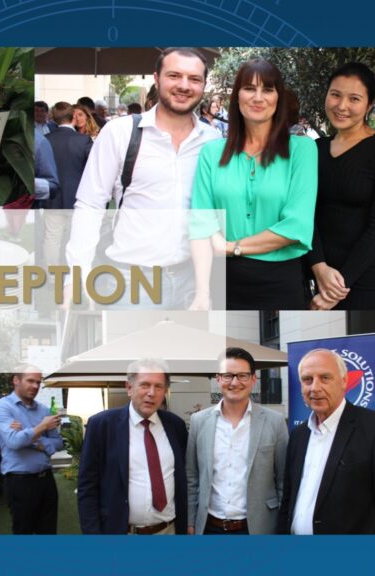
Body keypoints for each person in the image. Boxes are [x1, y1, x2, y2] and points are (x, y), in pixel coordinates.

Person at [66, 48, 220, 309]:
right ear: (156, 78)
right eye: (174, 75)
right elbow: (90, 204)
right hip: (129, 282)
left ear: (204, 86)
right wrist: (76, 273)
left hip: (192, 281)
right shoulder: (120, 132)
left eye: (194, 79)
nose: (184, 85)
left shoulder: (212, 140)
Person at [189, 58, 318, 310]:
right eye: (249, 88)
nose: (258, 97)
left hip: (281, 282)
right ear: (237, 96)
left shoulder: (302, 150)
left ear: (278, 98)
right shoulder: (211, 153)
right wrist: (202, 293)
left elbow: (297, 226)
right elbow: (201, 224)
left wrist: (231, 247)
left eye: (267, 89)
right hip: (223, 282)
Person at [78, 358, 189, 534]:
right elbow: (87, 487)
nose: (151, 393)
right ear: (129, 388)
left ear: (165, 391)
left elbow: (184, 479)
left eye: (158, 386)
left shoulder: (176, 426)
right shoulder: (102, 425)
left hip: (169, 531)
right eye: (145, 385)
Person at [186, 347, 288, 534]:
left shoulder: (275, 421)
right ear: (218, 379)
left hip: (258, 528)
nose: (234, 382)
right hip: (209, 528)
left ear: (253, 379)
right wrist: (191, 522)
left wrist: (282, 526)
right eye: (228, 376)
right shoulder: (199, 421)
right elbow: (192, 478)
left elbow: (283, 481)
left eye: (242, 376)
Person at [278, 349, 375, 533]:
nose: (315, 388)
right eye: (307, 380)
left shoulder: (370, 428)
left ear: (344, 381)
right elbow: (288, 499)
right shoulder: (299, 435)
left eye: (325, 378)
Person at [306, 62, 375, 310]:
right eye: (335, 94)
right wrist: (318, 266)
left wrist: (336, 290)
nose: (342, 106)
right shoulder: (315, 149)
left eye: (354, 98)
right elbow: (304, 213)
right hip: (317, 273)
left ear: (369, 105)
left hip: (363, 281)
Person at [0, 365, 63, 534]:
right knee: (23, 533)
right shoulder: (4, 406)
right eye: (30, 381)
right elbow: (13, 442)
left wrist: (36, 441)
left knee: (48, 534)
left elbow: (58, 442)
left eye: (38, 382)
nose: (35, 386)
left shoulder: (44, 410)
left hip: (46, 481)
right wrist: (42, 426)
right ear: (16, 380)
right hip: (20, 482)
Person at [44, 102, 93, 267]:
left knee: (52, 237)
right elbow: (92, 170)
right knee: (77, 238)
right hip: (78, 196)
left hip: (52, 196)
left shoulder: (46, 140)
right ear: (73, 117)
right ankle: (74, 272)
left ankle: (52, 276)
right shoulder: (84, 140)